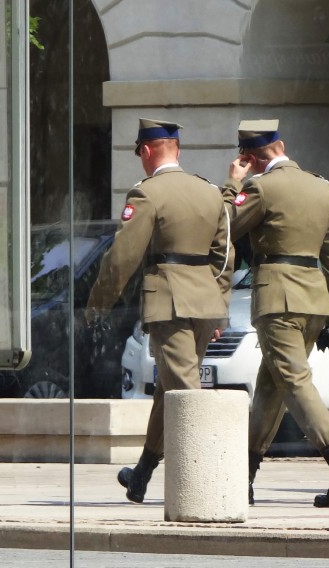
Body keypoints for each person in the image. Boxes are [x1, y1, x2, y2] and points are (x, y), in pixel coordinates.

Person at [85, 118, 231, 503]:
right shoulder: (210, 191)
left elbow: (121, 258)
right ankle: (142, 476)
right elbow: (225, 256)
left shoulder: (147, 194)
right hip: (203, 302)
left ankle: (209, 482)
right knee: (168, 392)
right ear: (177, 148)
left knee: (185, 394)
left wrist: (98, 303)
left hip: (168, 300)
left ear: (147, 151)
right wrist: (217, 308)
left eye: (139, 154)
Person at [223, 120, 329, 508]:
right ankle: (243, 477)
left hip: (277, 299)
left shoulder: (258, 187)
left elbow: (224, 229)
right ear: (282, 145)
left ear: (249, 158)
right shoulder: (321, 187)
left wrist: (232, 184)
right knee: (271, 387)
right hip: (314, 299)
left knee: (295, 382)